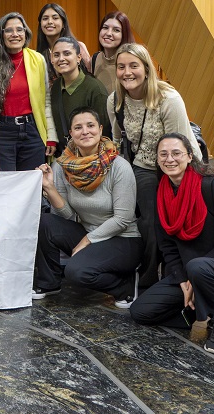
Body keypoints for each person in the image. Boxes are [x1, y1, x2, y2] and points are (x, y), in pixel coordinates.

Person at [130, 133, 214, 355]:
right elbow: (167, 246)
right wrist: (183, 279)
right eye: (163, 154)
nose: (169, 159)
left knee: (198, 267)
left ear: (190, 156)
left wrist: (195, 275)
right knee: (140, 312)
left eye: (176, 153)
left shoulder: (211, 185)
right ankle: (196, 306)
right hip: (189, 272)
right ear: (157, 159)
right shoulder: (161, 193)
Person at [107, 43, 202, 289]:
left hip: (180, 165)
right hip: (145, 166)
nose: (127, 72)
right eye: (121, 67)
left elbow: (180, 146)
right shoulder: (115, 100)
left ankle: (180, 275)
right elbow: (117, 140)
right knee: (150, 221)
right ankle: (148, 279)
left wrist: (176, 180)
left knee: (177, 218)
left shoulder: (168, 99)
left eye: (134, 66)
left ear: (147, 69)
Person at [36, 108, 141, 305]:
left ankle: (124, 285)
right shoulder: (63, 165)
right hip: (88, 232)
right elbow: (66, 215)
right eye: (78, 127)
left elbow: (123, 219)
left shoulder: (119, 166)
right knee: (45, 222)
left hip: (123, 239)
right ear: (71, 133)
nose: (85, 131)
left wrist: (87, 240)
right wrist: (49, 187)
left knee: (77, 272)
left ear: (100, 129)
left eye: (90, 126)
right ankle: (49, 282)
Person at [0, 12, 56, 171]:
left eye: (19, 29)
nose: (15, 34)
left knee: (32, 181)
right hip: (3, 132)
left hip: (32, 130)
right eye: (9, 30)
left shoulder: (38, 59)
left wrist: (51, 136)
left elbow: (46, 101)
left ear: (25, 33)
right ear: (1, 34)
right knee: (5, 181)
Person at [50, 37, 112, 155]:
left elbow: (105, 132)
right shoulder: (56, 86)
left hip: (91, 157)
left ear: (79, 57)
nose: (61, 59)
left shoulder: (95, 89)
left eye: (67, 53)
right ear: (52, 60)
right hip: (65, 156)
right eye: (56, 55)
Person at [35, 3, 92, 79]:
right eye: (45, 18)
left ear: (63, 23)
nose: (50, 22)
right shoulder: (37, 55)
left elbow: (88, 75)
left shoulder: (79, 46)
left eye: (55, 18)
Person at [91, 11, 135, 93]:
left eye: (116, 30)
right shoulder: (95, 58)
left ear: (124, 35)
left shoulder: (133, 60)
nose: (108, 33)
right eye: (105, 28)